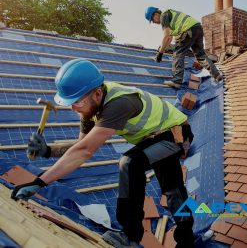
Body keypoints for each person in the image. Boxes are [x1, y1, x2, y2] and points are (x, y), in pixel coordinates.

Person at [11, 59, 195, 248]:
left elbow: (84, 151)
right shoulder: (89, 107)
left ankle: (131, 235)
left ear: (97, 93)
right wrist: (48, 151)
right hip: (155, 139)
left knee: (130, 163)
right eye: (71, 104)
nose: (75, 108)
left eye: (78, 102)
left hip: (176, 135)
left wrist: (39, 182)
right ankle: (187, 238)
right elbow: (81, 145)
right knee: (173, 189)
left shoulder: (118, 104)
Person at [145, 7, 222, 89]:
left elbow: (166, 36)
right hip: (197, 28)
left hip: (188, 30)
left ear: (156, 14)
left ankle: (176, 81)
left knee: (178, 53)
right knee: (200, 56)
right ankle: (216, 75)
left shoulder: (164, 16)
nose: (153, 22)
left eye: (152, 19)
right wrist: (162, 52)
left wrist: (160, 54)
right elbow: (169, 38)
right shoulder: (169, 16)